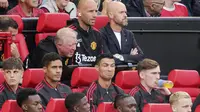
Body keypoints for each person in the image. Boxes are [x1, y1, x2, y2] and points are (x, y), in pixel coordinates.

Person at [67, 0, 105, 65]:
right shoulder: (69, 32)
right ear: (79, 12)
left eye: (96, 11)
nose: (95, 15)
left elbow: (101, 60)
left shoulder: (97, 34)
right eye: (90, 11)